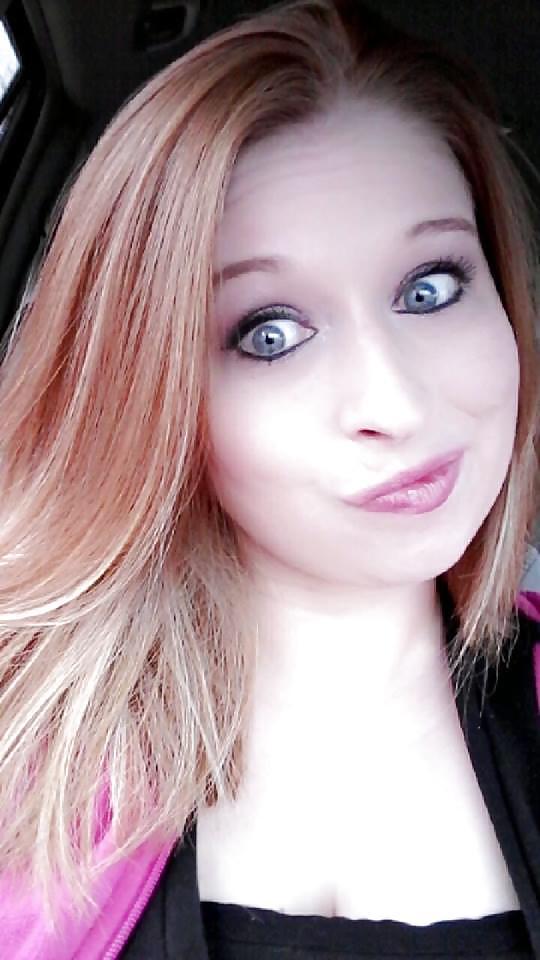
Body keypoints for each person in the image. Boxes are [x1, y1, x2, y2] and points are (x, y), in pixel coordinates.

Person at [0, 0, 539, 956]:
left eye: (430, 289)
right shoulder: (23, 763)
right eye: (271, 334)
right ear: (156, 392)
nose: (394, 402)